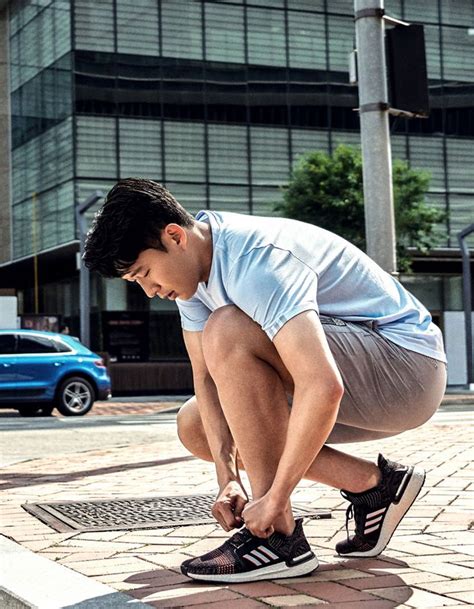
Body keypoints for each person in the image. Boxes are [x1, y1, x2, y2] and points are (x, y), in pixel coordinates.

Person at [83, 178, 447, 584]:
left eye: (145, 273)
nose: (150, 290)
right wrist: (227, 479)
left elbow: (323, 385)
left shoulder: (256, 262)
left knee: (229, 327)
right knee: (196, 423)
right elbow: (205, 380)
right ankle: (375, 486)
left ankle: (279, 539)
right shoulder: (191, 282)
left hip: (408, 370)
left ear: (175, 236)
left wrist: (273, 498)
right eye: (137, 283)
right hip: (367, 377)